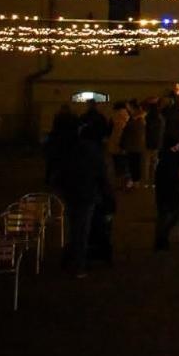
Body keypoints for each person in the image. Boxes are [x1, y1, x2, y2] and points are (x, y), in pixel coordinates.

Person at [55, 119, 115, 278]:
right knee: (82, 230)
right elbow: (101, 176)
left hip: (71, 192)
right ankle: (78, 265)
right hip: (87, 194)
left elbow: (60, 170)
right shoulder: (93, 151)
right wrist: (107, 196)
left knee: (75, 227)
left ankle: (73, 258)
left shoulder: (70, 148)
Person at [153, 127, 179, 250]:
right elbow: (170, 177)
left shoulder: (169, 157)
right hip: (168, 192)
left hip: (165, 192)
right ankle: (161, 240)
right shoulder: (169, 159)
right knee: (170, 216)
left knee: (166, 216)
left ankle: (161, 239)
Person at [119, 102, 146, 191]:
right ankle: (135, 182)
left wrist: (123, 145)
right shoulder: (141, 119)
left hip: (133, 145)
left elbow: (127, 132)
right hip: (137, 145)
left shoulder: (135, 120)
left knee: (133, 164)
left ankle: (134, 182)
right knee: (135, 164)